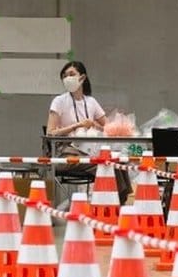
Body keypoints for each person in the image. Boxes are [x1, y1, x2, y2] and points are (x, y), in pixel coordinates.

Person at [45, 61, 132, 204]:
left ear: (82, 78)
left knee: (117, 162)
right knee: (106, 165)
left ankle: (120, 201)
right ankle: (112, 204)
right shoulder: (59, 101)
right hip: (67, 153)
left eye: (72, 74)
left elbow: (108, 127)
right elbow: (50, 133)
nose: (68, 78)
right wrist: (77, 125)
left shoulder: (91, 102)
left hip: (90, 151)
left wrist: (99, 126)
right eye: (65, 76)